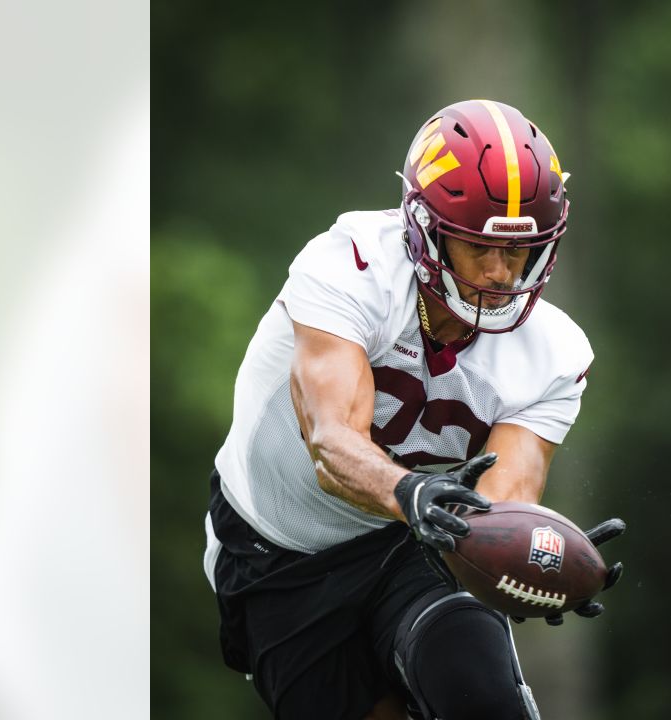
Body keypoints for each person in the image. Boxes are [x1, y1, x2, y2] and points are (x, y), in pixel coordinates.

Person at [203, 99, 624, 719]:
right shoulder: (349, 268)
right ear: (426, 230)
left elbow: (500, 504)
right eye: (478, 246)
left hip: (416, 541)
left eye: (520, 251)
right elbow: (329, 443)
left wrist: (536, 553)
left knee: (483, 696)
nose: (501, 273)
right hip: (280, 548)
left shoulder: (555, 352)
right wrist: (412, 493)